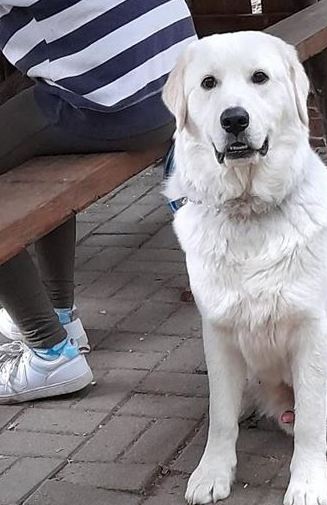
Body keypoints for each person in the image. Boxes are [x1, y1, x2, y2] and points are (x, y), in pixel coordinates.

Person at [0, 0, 196, 404]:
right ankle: (59, 314)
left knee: (35, 115)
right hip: (178, 84)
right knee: (35, 133)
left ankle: (50, 354)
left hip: (122, 103)